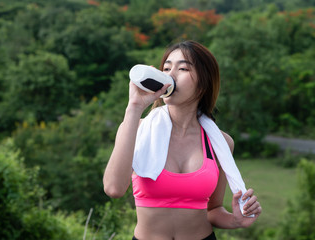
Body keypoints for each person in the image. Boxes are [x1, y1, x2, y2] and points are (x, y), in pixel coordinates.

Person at [103, 40, 262, 240]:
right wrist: (134, 107)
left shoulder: (220, 142)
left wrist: (235, 220)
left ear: (203, 83)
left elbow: (213, 210)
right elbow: (113, 189)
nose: (170, 75)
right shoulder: (136, 128)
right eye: (166, 68)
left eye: (183, 68)